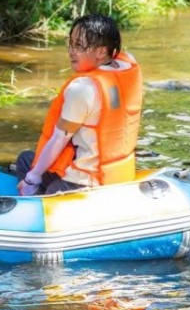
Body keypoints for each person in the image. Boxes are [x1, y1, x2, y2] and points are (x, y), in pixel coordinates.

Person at [16, 13, 142, 196]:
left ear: (100, 51)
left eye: (79, 46)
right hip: (121, 173)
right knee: (26, 159)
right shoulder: (128, 64)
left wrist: (31, 179)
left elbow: (59, 139)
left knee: (34, 175)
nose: (71, 51)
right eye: (71, 43)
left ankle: (30, 204)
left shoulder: (83, 88)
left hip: (86, 183)